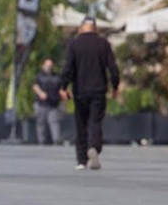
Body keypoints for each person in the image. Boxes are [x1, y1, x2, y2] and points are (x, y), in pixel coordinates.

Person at [60, 17, 119, 170]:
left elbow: (68, 67)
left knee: (81, 124)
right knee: (95, 121)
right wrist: (115, 86)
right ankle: (93, 147)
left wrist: (63, 86)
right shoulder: (103, 44)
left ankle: (81, 160)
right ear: (95, 28)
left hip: (80, 91)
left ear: (81, 28)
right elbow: (112, 67)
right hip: (98, 90)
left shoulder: (74, 44)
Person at [32, 58, 64, 145]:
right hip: (42, 104)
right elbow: (35, 86)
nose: (49, 67)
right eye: (47, 66)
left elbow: (62, 88)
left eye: (51, 66)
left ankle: (57, 140)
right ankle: (41, 141)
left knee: (54, 122)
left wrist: (64, 97)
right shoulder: (40, 76)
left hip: (53, 104)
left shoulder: (57, 76)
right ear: (44, 66)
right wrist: (40, 93)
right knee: (41, 123)